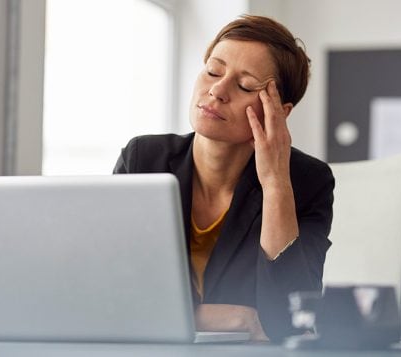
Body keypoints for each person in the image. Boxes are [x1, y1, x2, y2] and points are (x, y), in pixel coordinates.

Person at [114, 14, 334, 342]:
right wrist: (206, 316)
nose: (217, 90)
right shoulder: (144, 159)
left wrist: (275, 184)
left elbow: (290, 318)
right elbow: (114, 293)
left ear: (279, 111)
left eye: (244, 85)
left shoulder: (307, 182)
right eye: (213, 71)